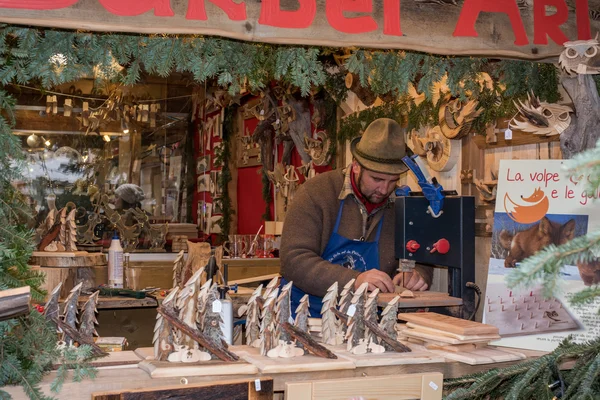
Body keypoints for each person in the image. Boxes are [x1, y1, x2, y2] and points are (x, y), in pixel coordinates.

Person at [280, 118, 433, 316]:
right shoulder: (316, 193)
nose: (384, 189)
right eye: (377, 179)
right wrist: (354, 280)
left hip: (364, 319)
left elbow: (420, 256)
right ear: (356, 166)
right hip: (306, 314)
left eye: (392, 181)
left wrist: (417, 274)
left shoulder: (400, 204)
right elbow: (294, 260)